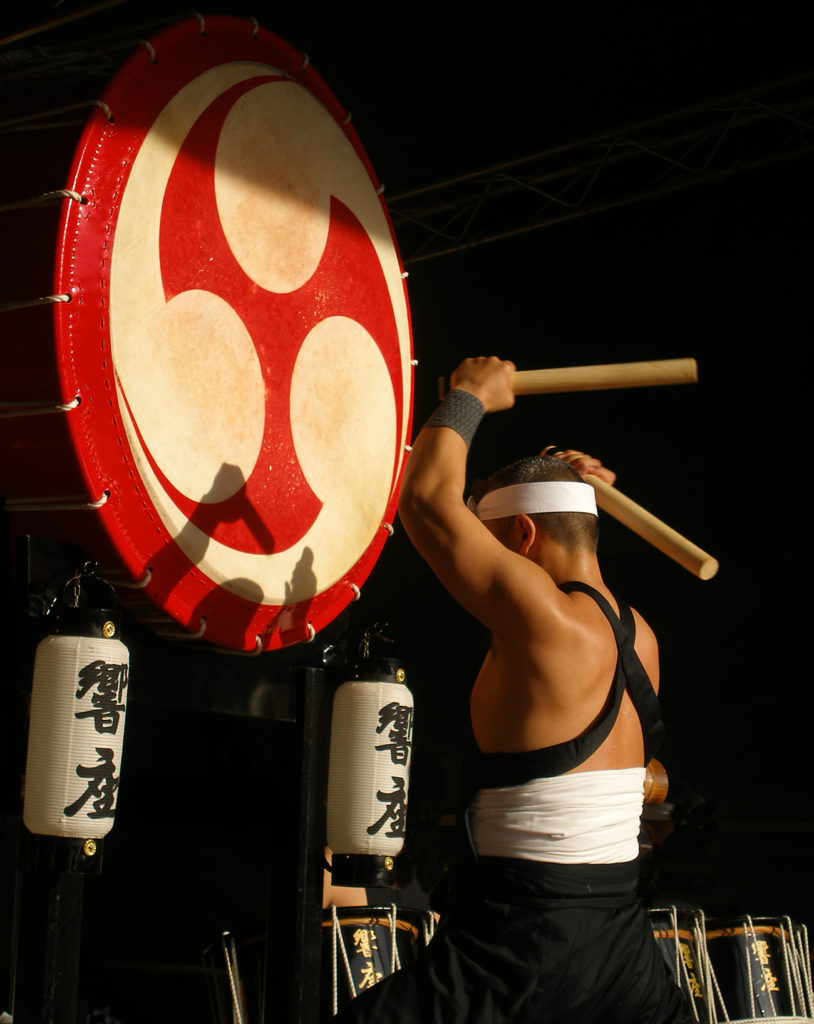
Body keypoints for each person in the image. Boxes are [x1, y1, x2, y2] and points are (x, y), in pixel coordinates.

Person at [335, 356, 692, 1023]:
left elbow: (425, 501)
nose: (481, 561)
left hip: (523, 941)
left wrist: (470, 397)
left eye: (491, 541)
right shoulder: (637, 635)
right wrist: (556, 472)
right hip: (622, 946)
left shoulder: (547, 620)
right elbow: (554, 520)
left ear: (523, 535)